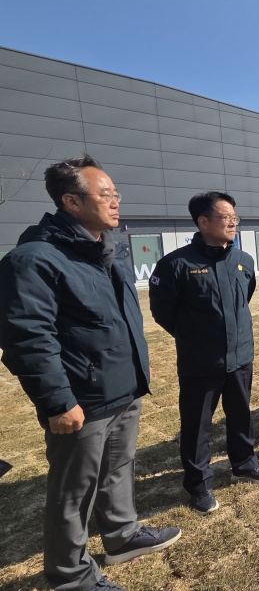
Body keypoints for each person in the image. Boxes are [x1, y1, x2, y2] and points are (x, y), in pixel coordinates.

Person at [0, 155, 180, 591]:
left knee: (118, 469)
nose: (116, 202)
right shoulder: (34, 259)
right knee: (73, 490)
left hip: (123, 387)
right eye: (106, 195)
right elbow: (28, 338)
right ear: (71, 201)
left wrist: (137, 366)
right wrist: (58, 401)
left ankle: (122, 536)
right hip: (82, 400)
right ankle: (69, 575)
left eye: (116, 193)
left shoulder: (105, 250)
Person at [149, 191, 259, 516]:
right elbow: (162, 312)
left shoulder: (244, 260)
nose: (233, 222)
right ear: (203, 222)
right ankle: (199, 485)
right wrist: (196, 337)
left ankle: (244, 464)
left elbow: (244, 298)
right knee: (197, 425)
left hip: (240, 356)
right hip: (200, 361)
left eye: (235, 217)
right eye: (225, 217)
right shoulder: (176, 264)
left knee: (241, 414)